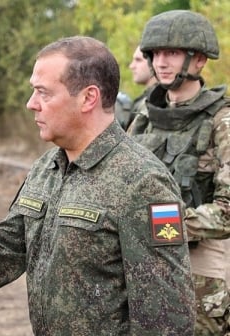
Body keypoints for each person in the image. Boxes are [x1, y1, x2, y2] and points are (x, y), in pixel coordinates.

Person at [0, 36, 196, 334]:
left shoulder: (144, 183)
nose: (31, 104)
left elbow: (167, 317)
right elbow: (6, 248)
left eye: (43, 93)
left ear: (88, 98)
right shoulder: (47, 167)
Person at [127, 10, 230, 335]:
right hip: (141, 258)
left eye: (171, 53)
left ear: (198, 60)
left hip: (198, 261)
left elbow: (228, 212)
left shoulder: (221, 121)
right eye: (155, 53)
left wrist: (161, 226)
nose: (161, 62)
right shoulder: (144, 116)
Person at [127, 45, 157, 125]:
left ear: (154, 62)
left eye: (138, 60)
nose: (132, 66)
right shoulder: (144, 100)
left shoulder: (157, 102)